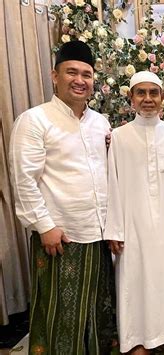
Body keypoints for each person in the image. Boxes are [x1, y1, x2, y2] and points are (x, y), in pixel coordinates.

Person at [9, 41, 116, 354]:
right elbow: (24, 179)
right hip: (60, 235)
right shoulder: (34, 120)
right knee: (59, 314)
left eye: (86, 73)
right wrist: (44, 226)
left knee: (96, 312)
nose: (80, 80)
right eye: (72, 72)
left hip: (97, 234)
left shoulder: (101, 123)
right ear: (54, 76)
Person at [104, 71, 164, 354]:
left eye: (154, 93)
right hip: (132, 225)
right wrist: (114, 230)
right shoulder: (119, 136)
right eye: (142, 93)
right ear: (131, 98)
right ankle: (136, 340)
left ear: (163, 98)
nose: (148, 99)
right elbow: (111, 184)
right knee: (133, 282)